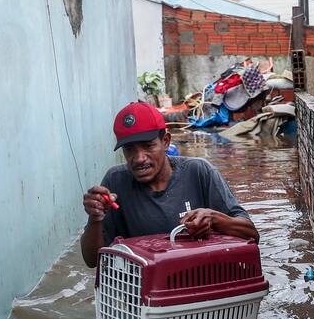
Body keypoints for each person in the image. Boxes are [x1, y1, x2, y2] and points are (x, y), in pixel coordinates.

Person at [80, 102, 258, 267]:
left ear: (166, 142)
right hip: (147, 292)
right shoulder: (115, 181)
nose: (139, 158)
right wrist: (95, 219)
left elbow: (251, 235)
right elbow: (92, 261)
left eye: (148, 146)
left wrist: (215, 219)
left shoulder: (199, 172)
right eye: (129, 149)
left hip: (201, 278)